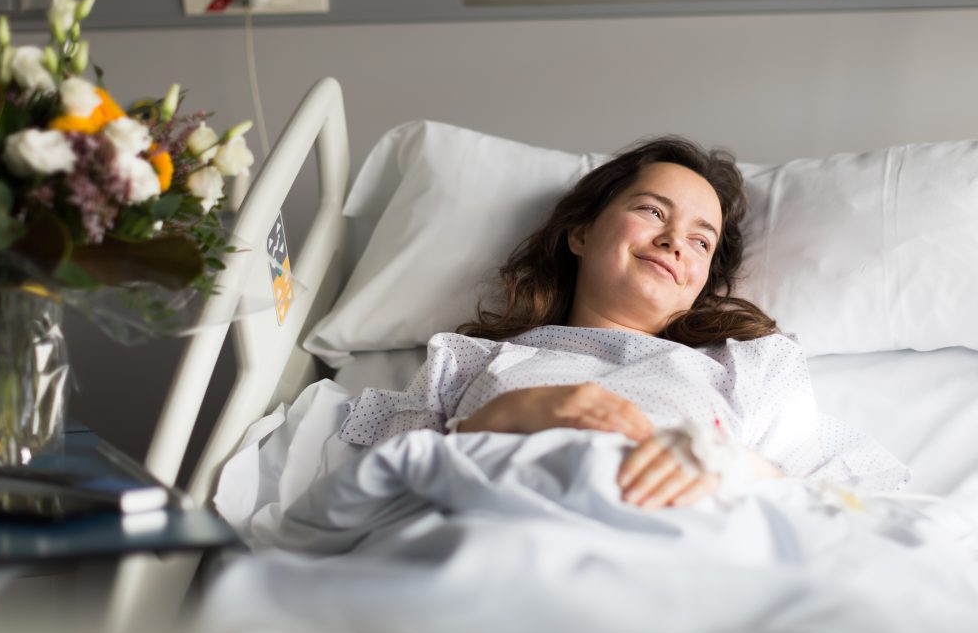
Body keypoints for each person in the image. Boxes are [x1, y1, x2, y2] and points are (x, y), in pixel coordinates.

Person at [338, 136, 907, 508]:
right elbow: (379, 492)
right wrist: (501, 418)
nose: (673, 242)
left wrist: (734, 467)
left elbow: (846, 505)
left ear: (702, 280)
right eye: (652, 211)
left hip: (680, 554)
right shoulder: (467, 361)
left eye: (700, 239)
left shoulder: (743, 369)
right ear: (581, 234)